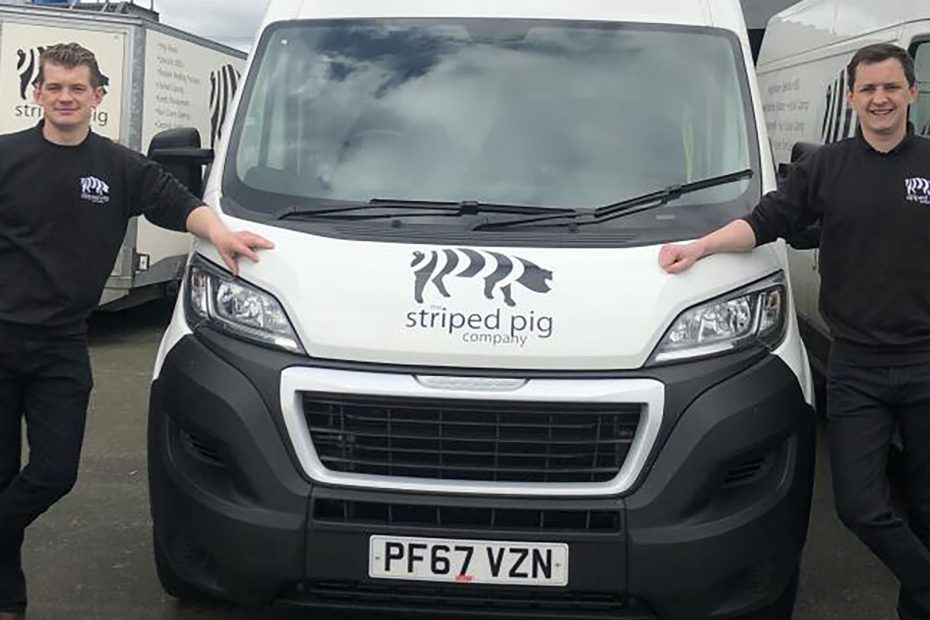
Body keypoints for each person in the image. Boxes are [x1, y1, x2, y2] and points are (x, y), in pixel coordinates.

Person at [0, 43, 273, 620]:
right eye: (55, 87)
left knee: (53, 474)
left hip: (61, 348)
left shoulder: (118, 167)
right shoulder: (6, 157)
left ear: (97, 96)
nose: (65, 97)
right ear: (37, 93)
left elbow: (178, 203)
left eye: (77, 88)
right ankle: (8, 600)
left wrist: (220, 233)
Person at [659, 43, 930, 619]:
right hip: (855, 367)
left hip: (926, 362)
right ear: (852, 98)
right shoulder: (827, 167)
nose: (880, 99)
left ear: (912, 92)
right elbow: (766, 221)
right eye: (868, 89)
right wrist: (700, 247)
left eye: (891, 87)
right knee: (859, 506)